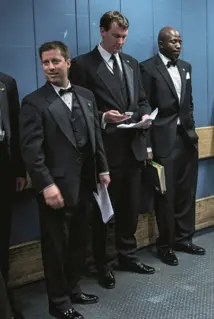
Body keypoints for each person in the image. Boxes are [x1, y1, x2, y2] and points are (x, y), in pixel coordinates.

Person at [19, 41, 110, 319]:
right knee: (55, 247)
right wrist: (46, 185)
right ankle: (58, 303)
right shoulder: (33, 102)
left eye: (55, 61)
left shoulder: (86, 95)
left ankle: (72, 287)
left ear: (67, 62)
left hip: (85, 184)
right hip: (54, 187)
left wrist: (103, 169)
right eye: (45, 62)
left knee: (78, 242)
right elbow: (31, 151)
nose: (50, 67)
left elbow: (96, 137)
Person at [69, 11, 155, 289]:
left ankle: (127, 255)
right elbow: (76, 111)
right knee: (104, 212)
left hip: (133, 148)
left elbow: (141, 99)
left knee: (130, 208)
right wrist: (105, 117)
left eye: (124, 37)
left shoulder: (131, 62)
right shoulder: (83, 65)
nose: (121, 42)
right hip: (104, 152)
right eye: (116, 36)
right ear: (102, 31)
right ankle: (103, 264)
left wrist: (144, 117)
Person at [140, 27, 205, 266]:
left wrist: (193, 129)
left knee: (187, 190)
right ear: (161, 43)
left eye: (180, 40)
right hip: (162, 139)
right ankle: (165, 244)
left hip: (187, 138)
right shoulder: (147, 67)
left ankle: (184, 238)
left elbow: (188, 103)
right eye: (173, 41)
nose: (178, 45)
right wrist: (147, 146)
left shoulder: (186, 67)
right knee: (165, 195)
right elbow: (143, 107)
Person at [0, 72, 26, 319]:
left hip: (4, 170)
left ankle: (3, 302)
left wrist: (19, 170)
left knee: (2, 236)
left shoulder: (7, 82)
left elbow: (16, 128)